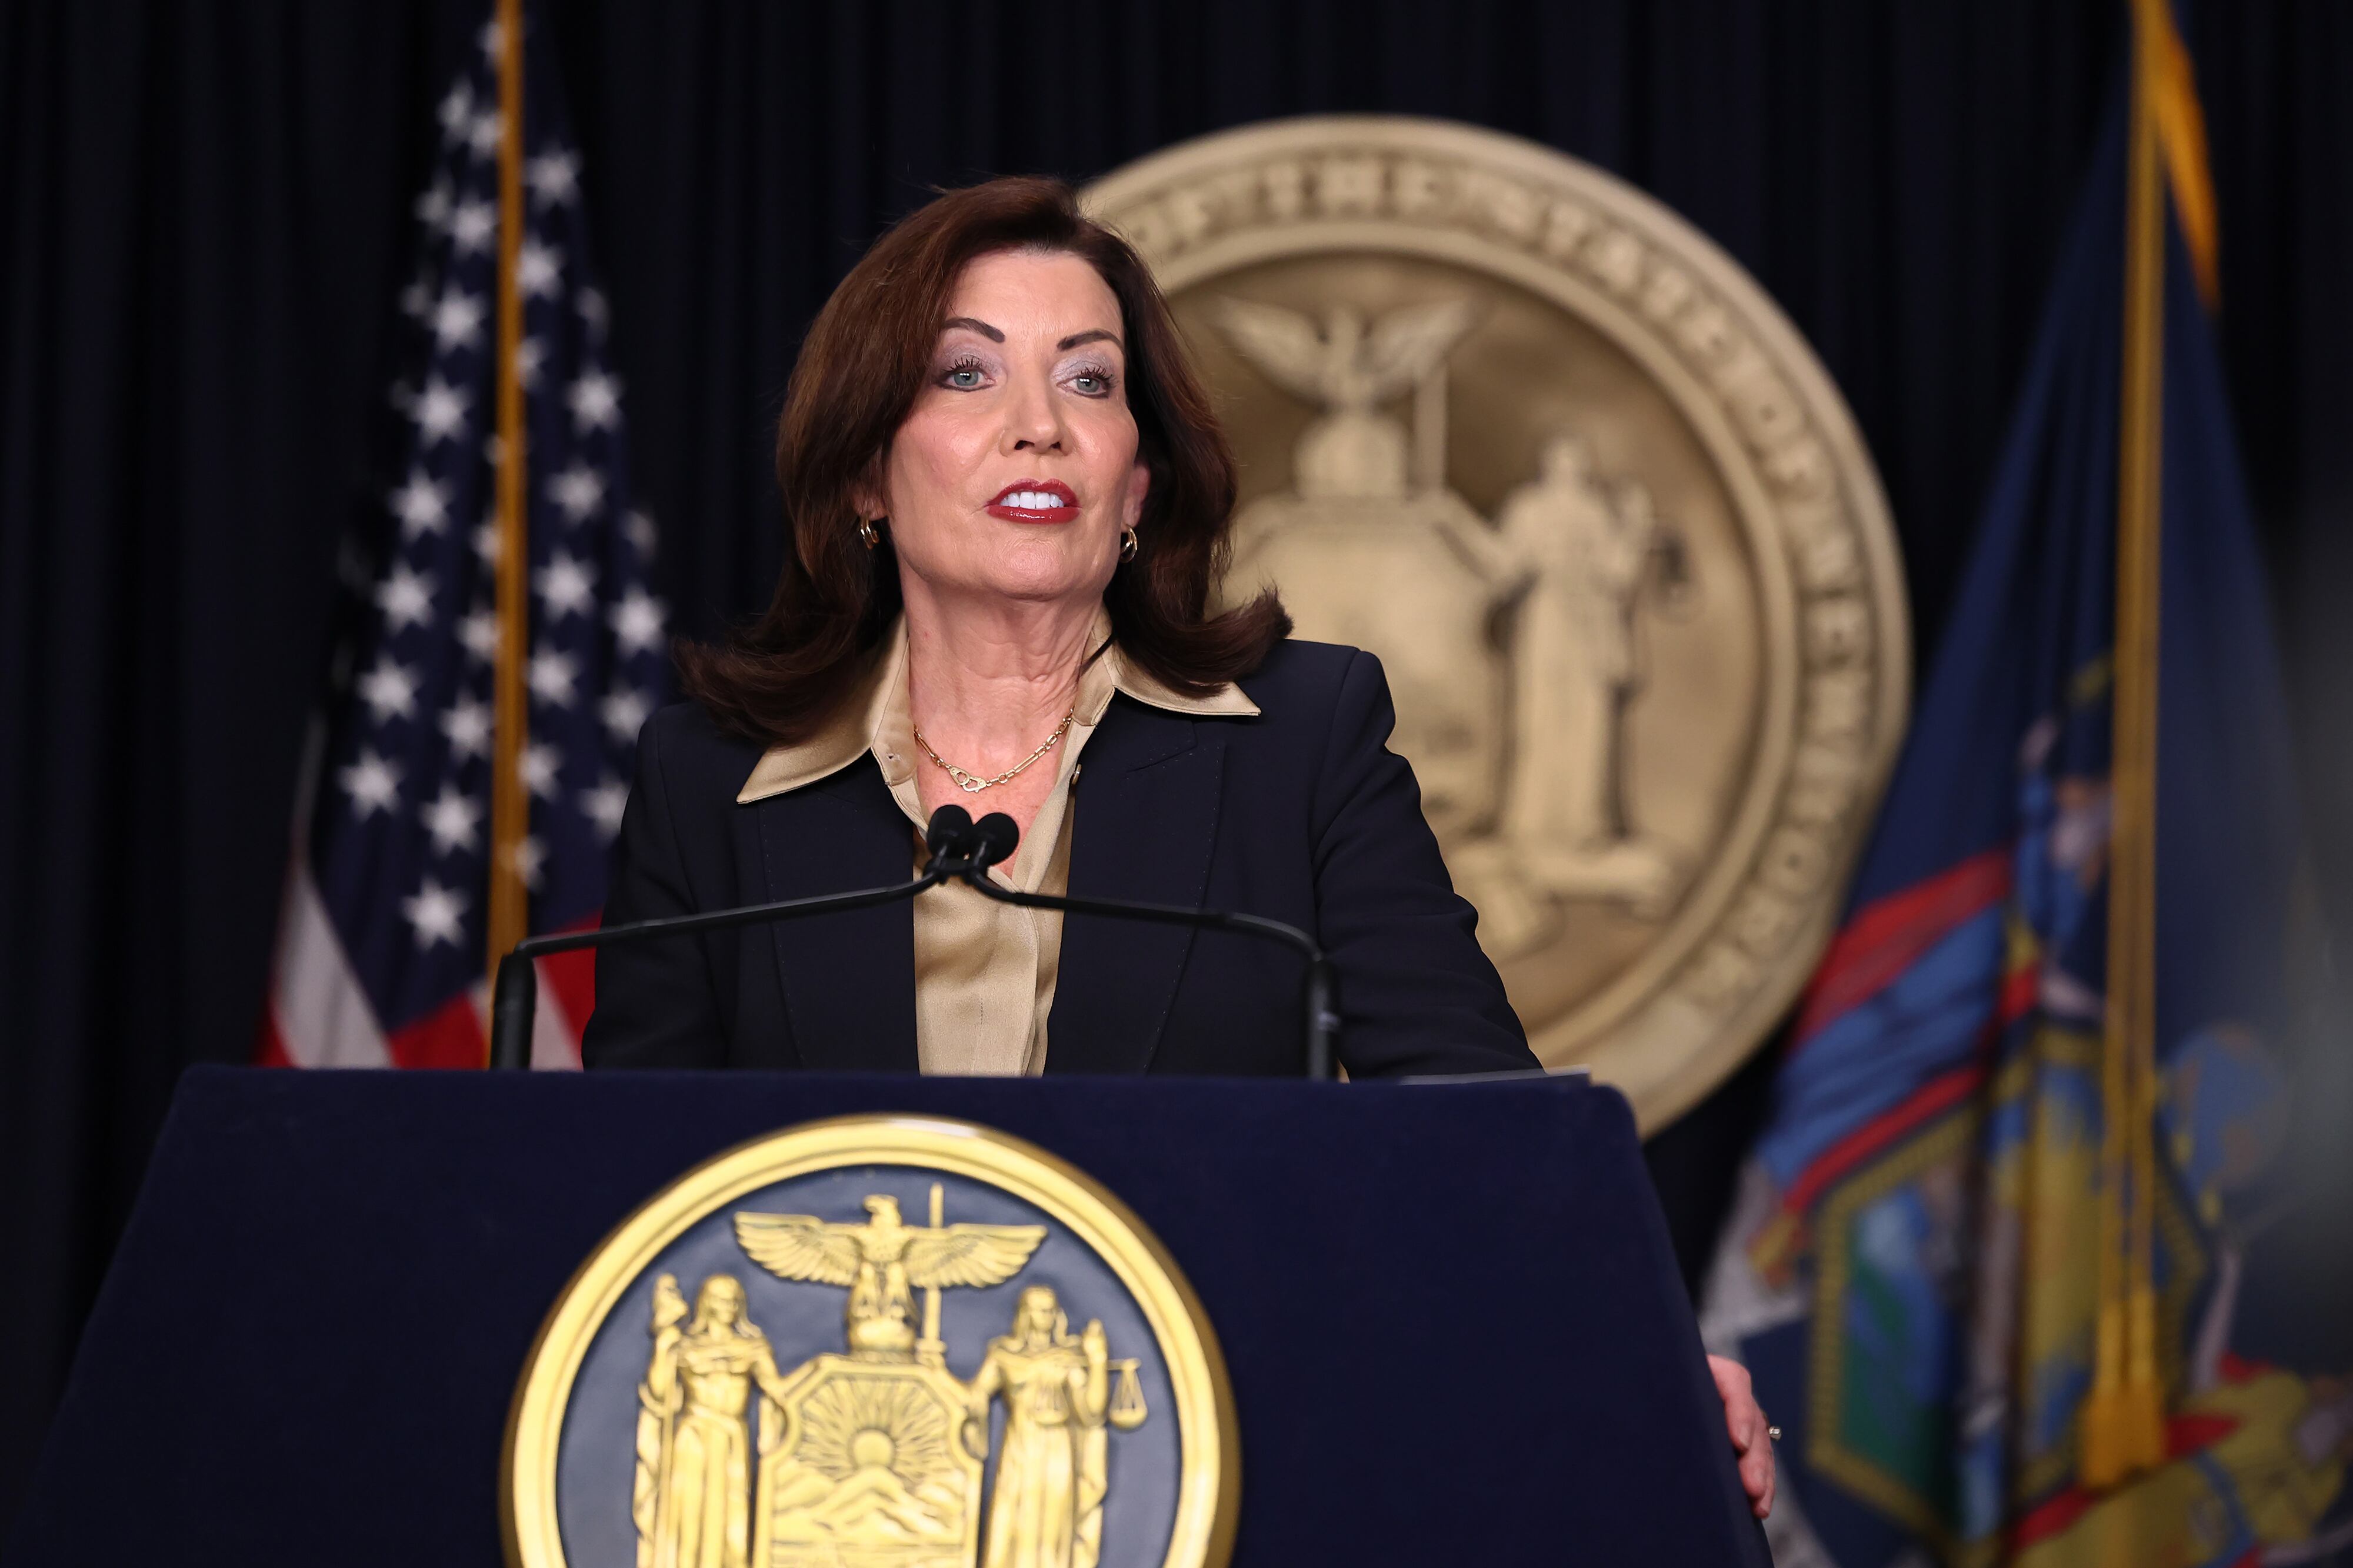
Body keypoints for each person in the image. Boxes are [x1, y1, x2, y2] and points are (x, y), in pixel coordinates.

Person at [581, 176, 1775, 1514]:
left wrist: (1640, 1346)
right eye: (967, 375)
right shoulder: (710, 784)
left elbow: (1470, 1118)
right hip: (827, 1495)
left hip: (1207, 1473)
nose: (1038, 427)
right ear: (866, 468)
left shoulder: (1301, 740)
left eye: (1089, 385)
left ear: (1135, 481)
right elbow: (626, 1203)